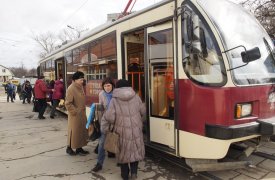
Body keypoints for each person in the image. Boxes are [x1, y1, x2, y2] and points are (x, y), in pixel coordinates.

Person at [101, 79, 146, 180]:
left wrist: (105, 127)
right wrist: (138, 122)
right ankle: (134, 173)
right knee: (135, 151)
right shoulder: (136, 97)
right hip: (135, 130)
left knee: (123, 152)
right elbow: (143, 112)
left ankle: (125, 175)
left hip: (121, 132)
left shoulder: (114, 100)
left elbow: (110, 117)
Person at [89, 77, 115, 172]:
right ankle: (99, 164)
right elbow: (100, 108)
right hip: (105, 121)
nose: (107, 88)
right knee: (101, 144)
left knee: (118, 141)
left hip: (116, 122)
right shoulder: (101, 94)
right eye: (105, 86)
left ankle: (119, 159)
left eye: (109, 85)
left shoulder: (116, 94)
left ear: (112, 86)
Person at [65, 71, 89, 156]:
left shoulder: (80, 87)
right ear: (75, 80)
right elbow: (68, 103)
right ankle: (69, 148)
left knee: (81, 131)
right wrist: (75, 112)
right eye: (80, 80)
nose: (82, 81)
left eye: (83, 79)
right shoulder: (71, 88)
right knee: (74, 132)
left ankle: (79, 148)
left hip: (81, 114)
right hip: (75, 115)